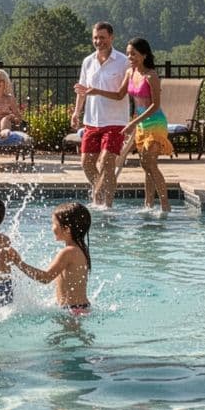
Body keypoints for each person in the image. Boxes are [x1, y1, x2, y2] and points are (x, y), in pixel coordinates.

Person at [95, 39, 175, 213]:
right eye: (128, 53)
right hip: (140, 124)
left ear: (144, 55)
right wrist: (96, 91)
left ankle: (165, 206)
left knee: (150, 164)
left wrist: (133, 123)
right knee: (145, 164)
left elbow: (155, 105)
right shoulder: (130, 72)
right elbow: (119, 95)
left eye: (134, 54)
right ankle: (148, 204)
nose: (130, 57)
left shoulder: (151, 76)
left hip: (155, 123)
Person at [71, 22, 129, 208]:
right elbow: (82, 90)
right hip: (91, 121)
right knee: (86, 163)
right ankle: (100, 194)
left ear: (111, 37)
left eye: (102, 37)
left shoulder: (123, 62)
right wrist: (76, 113)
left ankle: (106, 204)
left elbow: (124, 93)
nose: (98, 41)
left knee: (106, 162)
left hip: (115, 121)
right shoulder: (88, 62)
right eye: (95, 37)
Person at [16, 202, 92, 315]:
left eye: (54, 224)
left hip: (72, 310)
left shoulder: (68, 252)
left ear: (67, 229)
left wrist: (18, 263)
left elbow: (45, 278)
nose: (52, 227)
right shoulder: (80, 249)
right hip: (78, 307)